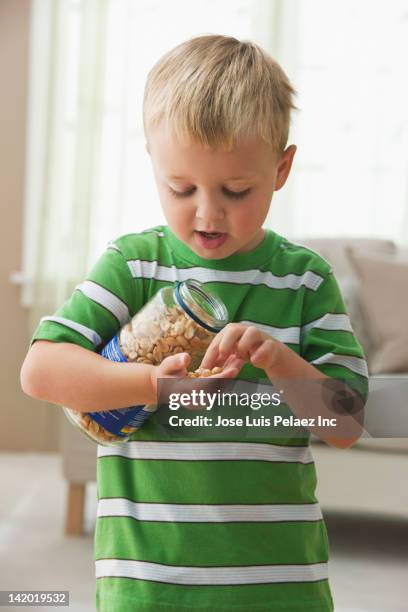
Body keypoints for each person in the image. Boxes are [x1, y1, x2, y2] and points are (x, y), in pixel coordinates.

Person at [20, 34, 368, 612]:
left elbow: (346, 424)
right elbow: (41, 371)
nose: (207, 212)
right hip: (147, 587)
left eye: (236, 190)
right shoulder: (133, 266)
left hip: (280, 587)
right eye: (180, 188)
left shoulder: (305, 281)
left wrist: (277, 359)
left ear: (281, 169)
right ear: (154, 164)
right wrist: (155, 386)